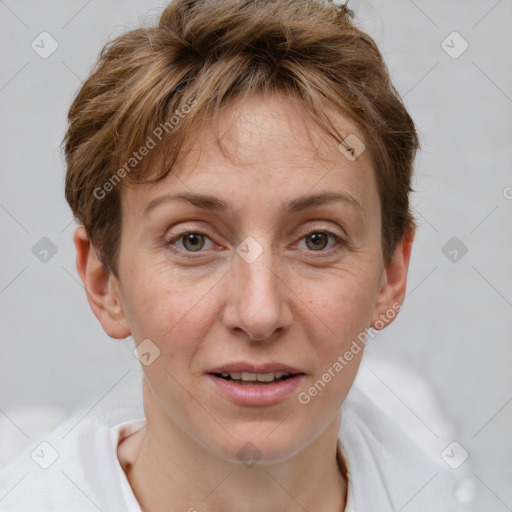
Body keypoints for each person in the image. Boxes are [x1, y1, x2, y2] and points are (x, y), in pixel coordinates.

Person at [0, 0, 469, 510]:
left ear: (390, 275)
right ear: (103, 281)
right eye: (193, 240)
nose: (260, 313)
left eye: (317, 239)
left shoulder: (434, 487)